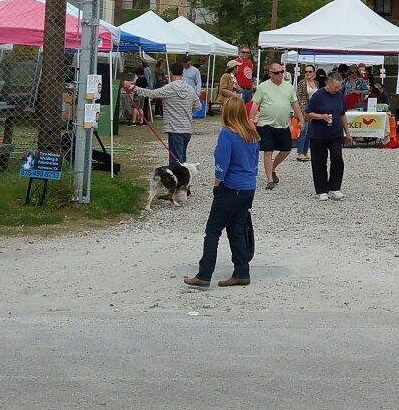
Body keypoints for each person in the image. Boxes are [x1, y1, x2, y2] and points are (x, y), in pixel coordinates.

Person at [184, 96, 260, 289]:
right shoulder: (252, 133)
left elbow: (222, 161)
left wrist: (217, 183)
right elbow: (254, 162)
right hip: (247, 187)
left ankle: (204, 274)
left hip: (230, 186)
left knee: (213, 231)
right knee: (236, 230)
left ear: (227, 113)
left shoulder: (228, 133)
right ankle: (242, 272)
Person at [126, 60, 197, 165]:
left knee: (176, 163)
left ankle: (178, 180)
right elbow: (198, 106)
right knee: (182, 160)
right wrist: (185, 107)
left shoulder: (169, 88)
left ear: (171, 73)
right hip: (187, 130)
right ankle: (182, 179)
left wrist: (133, 88)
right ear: (182, 73)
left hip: (175, 129)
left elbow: (151, 93)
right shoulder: (190, 89)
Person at [254, 61, 305, 190]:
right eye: (276, 72)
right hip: (265, 124)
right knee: (268, 151)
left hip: (282, 124)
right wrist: (250, 119)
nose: (280, 74)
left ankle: (273, 169)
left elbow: (295, 103)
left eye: (281, 72)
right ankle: (270, 180)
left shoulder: (288, 87)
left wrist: (301, 119)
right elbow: (255, 104)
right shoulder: (263, 86)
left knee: (286, 150)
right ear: (270, 73)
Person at [305, 71, 351, 201]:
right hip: (319, 134)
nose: (338, 89)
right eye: (336, 86)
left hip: (335, 133)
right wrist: (321, 116)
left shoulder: (339, 95)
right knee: (319, 162)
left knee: (337, 159)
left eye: (339, 86)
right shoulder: (318, 95)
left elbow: (342, 114)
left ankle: (334, 187)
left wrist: (347, 132)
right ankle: (321, 190)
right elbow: (307, 113)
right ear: (328, 83)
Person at [294, 68, 323, 163]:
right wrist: (300, 111)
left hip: (313, 109)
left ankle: (305, 152)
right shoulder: (302, 83)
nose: (307, 73)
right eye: (306, 71)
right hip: (304, 109)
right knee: (304, 130)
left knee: (310, 132)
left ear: (314, 73)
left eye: (310, 71)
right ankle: (300, 152)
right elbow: (298, 97)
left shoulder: (316, 83)